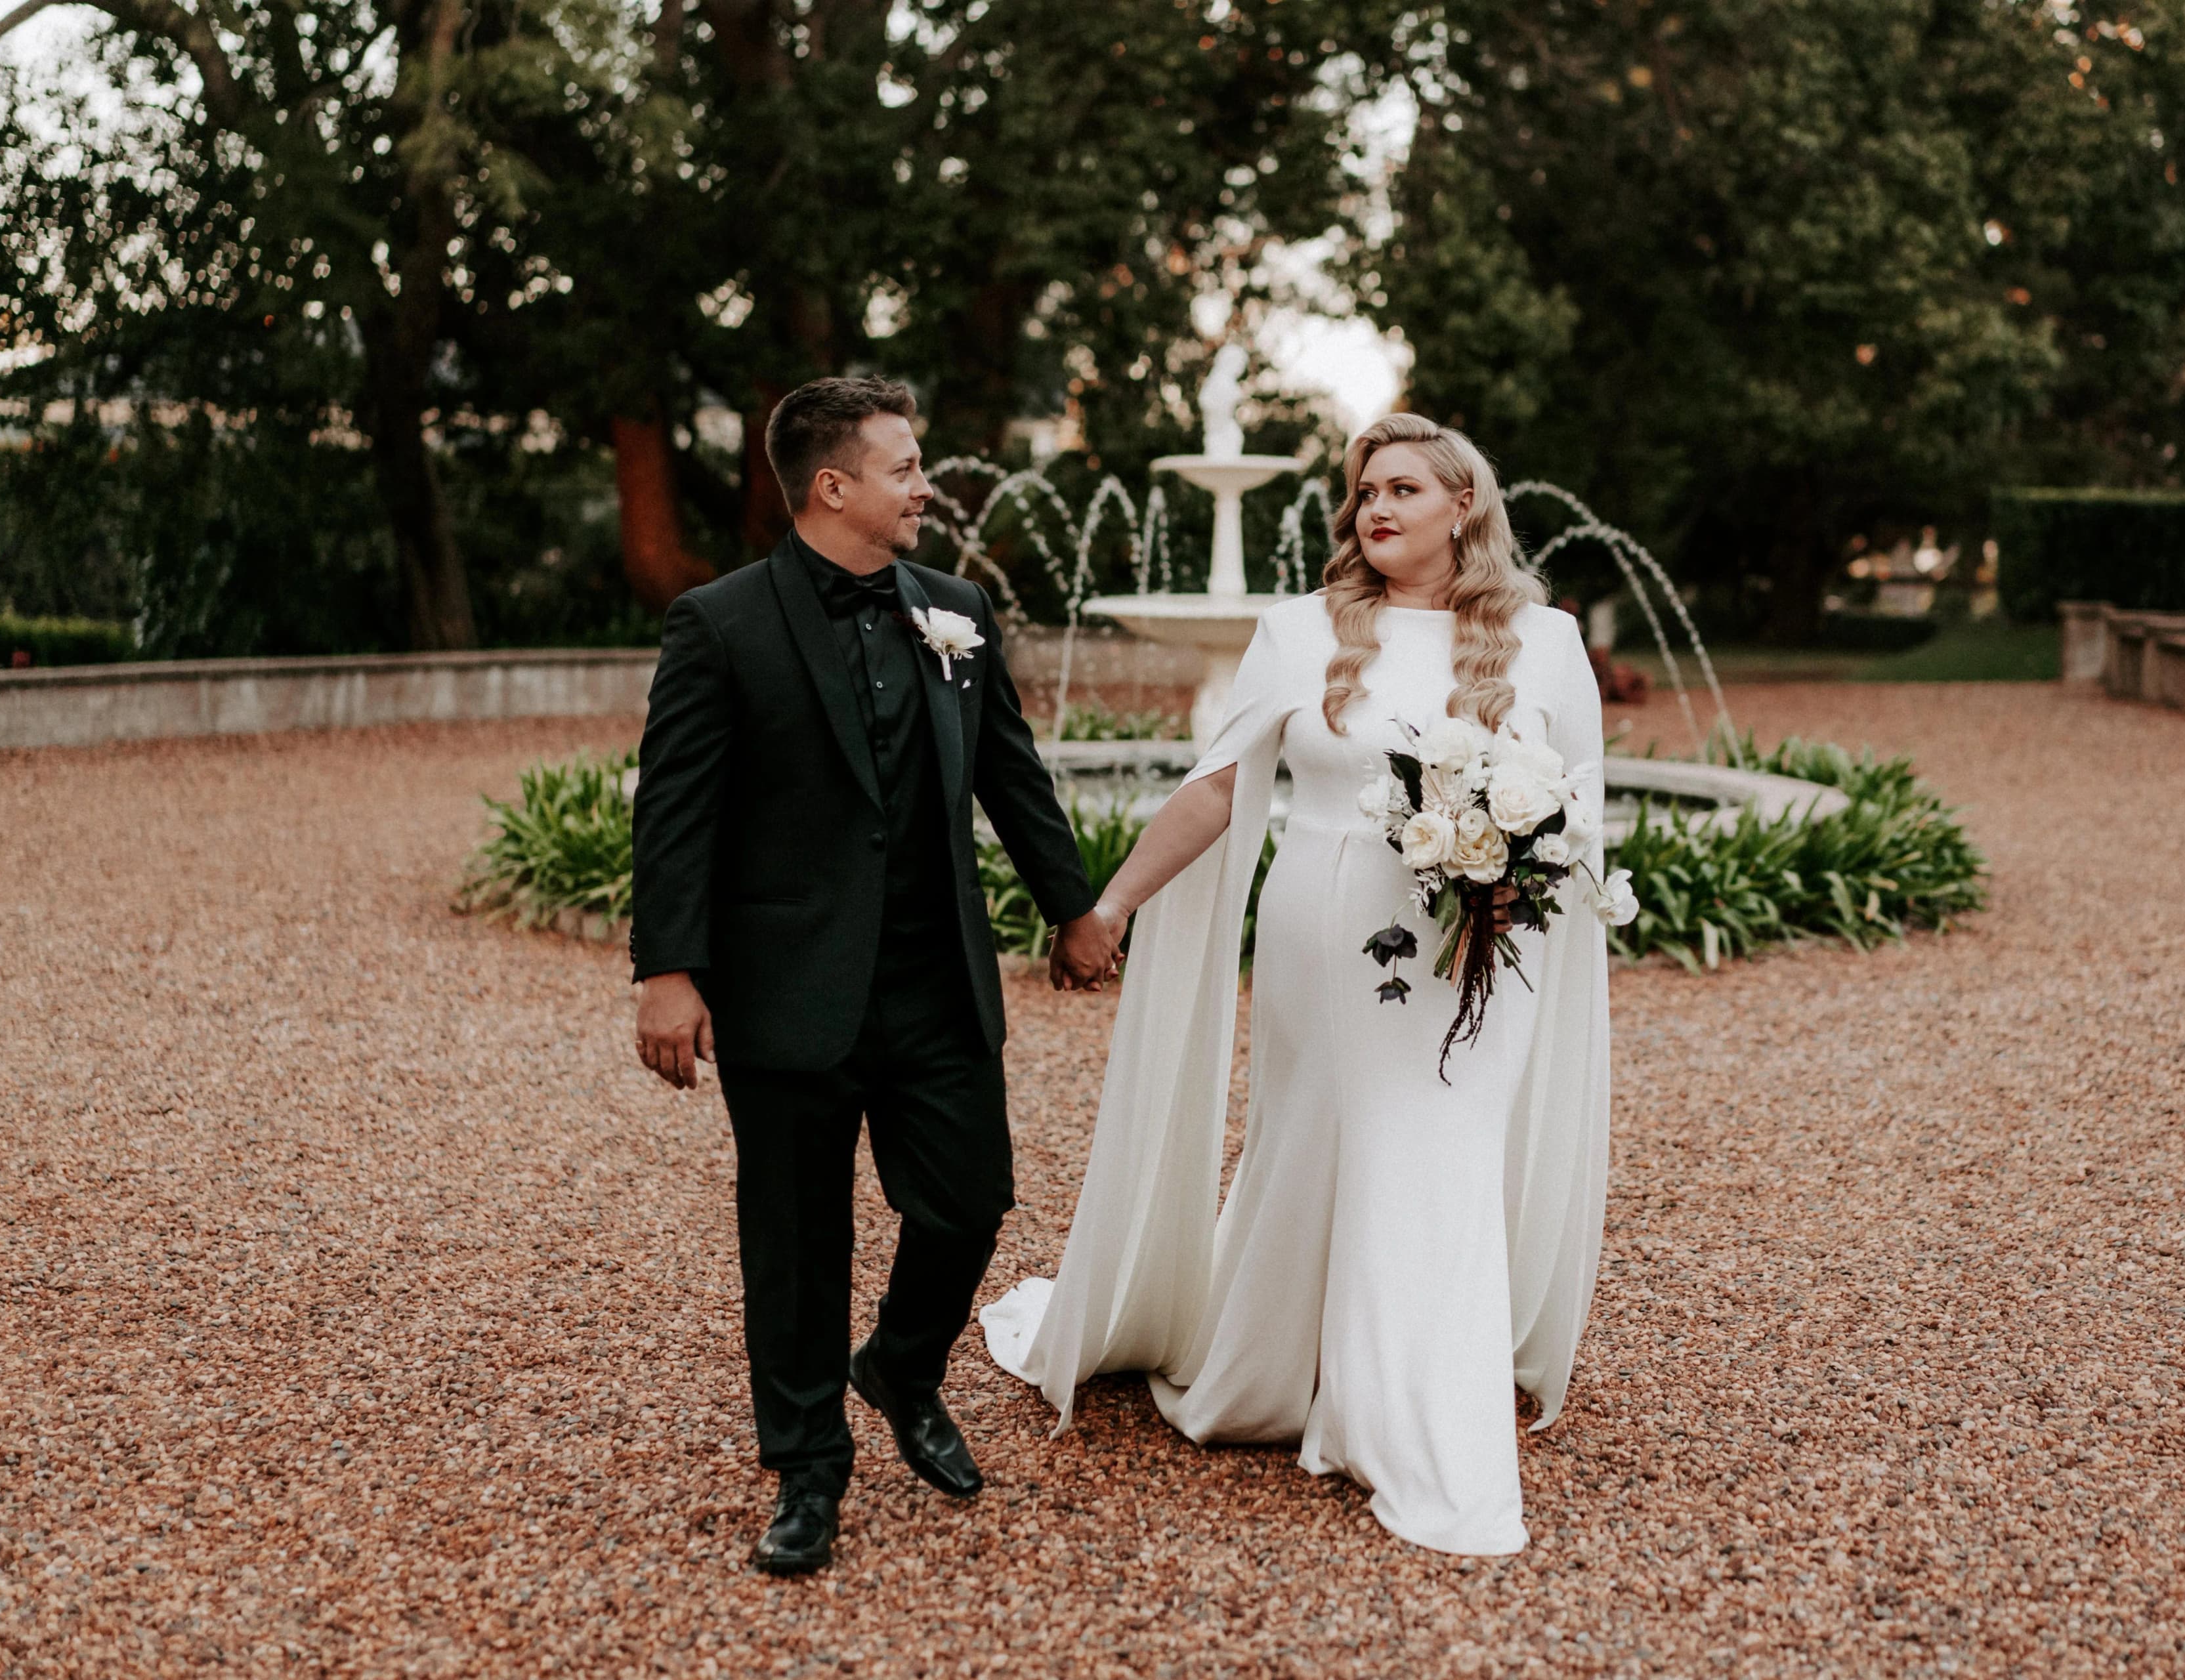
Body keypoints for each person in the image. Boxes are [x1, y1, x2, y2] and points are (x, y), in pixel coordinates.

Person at [981, 413, 1612, 1555]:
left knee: (1440, 1148)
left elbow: (1579, 808)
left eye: (1405, 490)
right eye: (1367, 491)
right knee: (1324, 1138)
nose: (1377, 509)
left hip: (1483, 951)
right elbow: (1218, 791)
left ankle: (1407, 1415)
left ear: (1461, 505)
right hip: (1328, 941)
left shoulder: (1548, 640)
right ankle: (1295, 1368)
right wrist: (1112, 905)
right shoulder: (1298, 630)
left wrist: (1522, 885)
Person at [628, 375, 1126, 1576]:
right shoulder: (721, 625)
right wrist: (668, 972)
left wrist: (1075, 907)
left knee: (972, 1199)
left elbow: (1012, 772)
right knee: (794, 1239)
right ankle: (808, 1468)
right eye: (905, 468)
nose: (926, 487)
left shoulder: (953, 610)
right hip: (787, 984)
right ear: (834, 486)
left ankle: (901, 1366)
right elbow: (677, 817)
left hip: (935, 979)